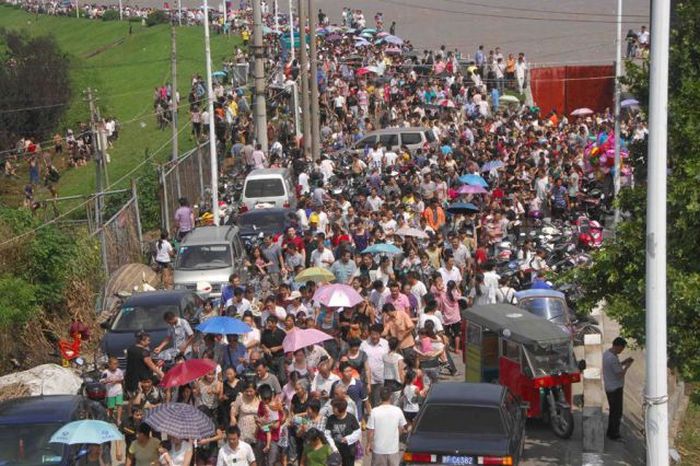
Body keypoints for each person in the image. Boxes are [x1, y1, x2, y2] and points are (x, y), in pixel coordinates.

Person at [603, 337, 634, 441]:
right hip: (615, 389)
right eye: (622, 348)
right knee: (617, 413)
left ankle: (610, 432)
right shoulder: (612, 358)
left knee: (613, 412)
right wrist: (627, 366)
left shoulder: (607, 354)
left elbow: (615, 367)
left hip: (609, 387)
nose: (622, 350)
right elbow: (620, 374)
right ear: (617, 346)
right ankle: (614, 435)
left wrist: (623, 362)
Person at [367, 386, 407, 466]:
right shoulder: (397, 410)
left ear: (380, 396)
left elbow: (370, 431)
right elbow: (402, 428)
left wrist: (368, 444)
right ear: (391, 396)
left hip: (378, 450)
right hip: (393, 450)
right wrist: (395, 435)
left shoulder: (374, 411)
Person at [324, 398, 361, 466]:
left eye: (334, 408)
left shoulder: (351, 418)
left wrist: (348, 438)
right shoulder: (330, 418)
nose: (332, 410)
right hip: (335, 450)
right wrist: (333, 447)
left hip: (349, 450)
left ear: (341, 409)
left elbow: (358, 432)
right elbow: (327, 434)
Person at [101, 356, 125, 424]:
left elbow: (122, 379)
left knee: (119, 404)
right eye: (114, 364)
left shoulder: (119, 371)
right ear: (109, 364)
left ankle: (118, 419)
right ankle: (110, 417)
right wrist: (108, 381)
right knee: (111, 407)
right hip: (110, 392)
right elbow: (102, 381)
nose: (115, 365)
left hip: (118, 390)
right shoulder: (105, 372)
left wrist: (117, 381)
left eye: (116, 364)